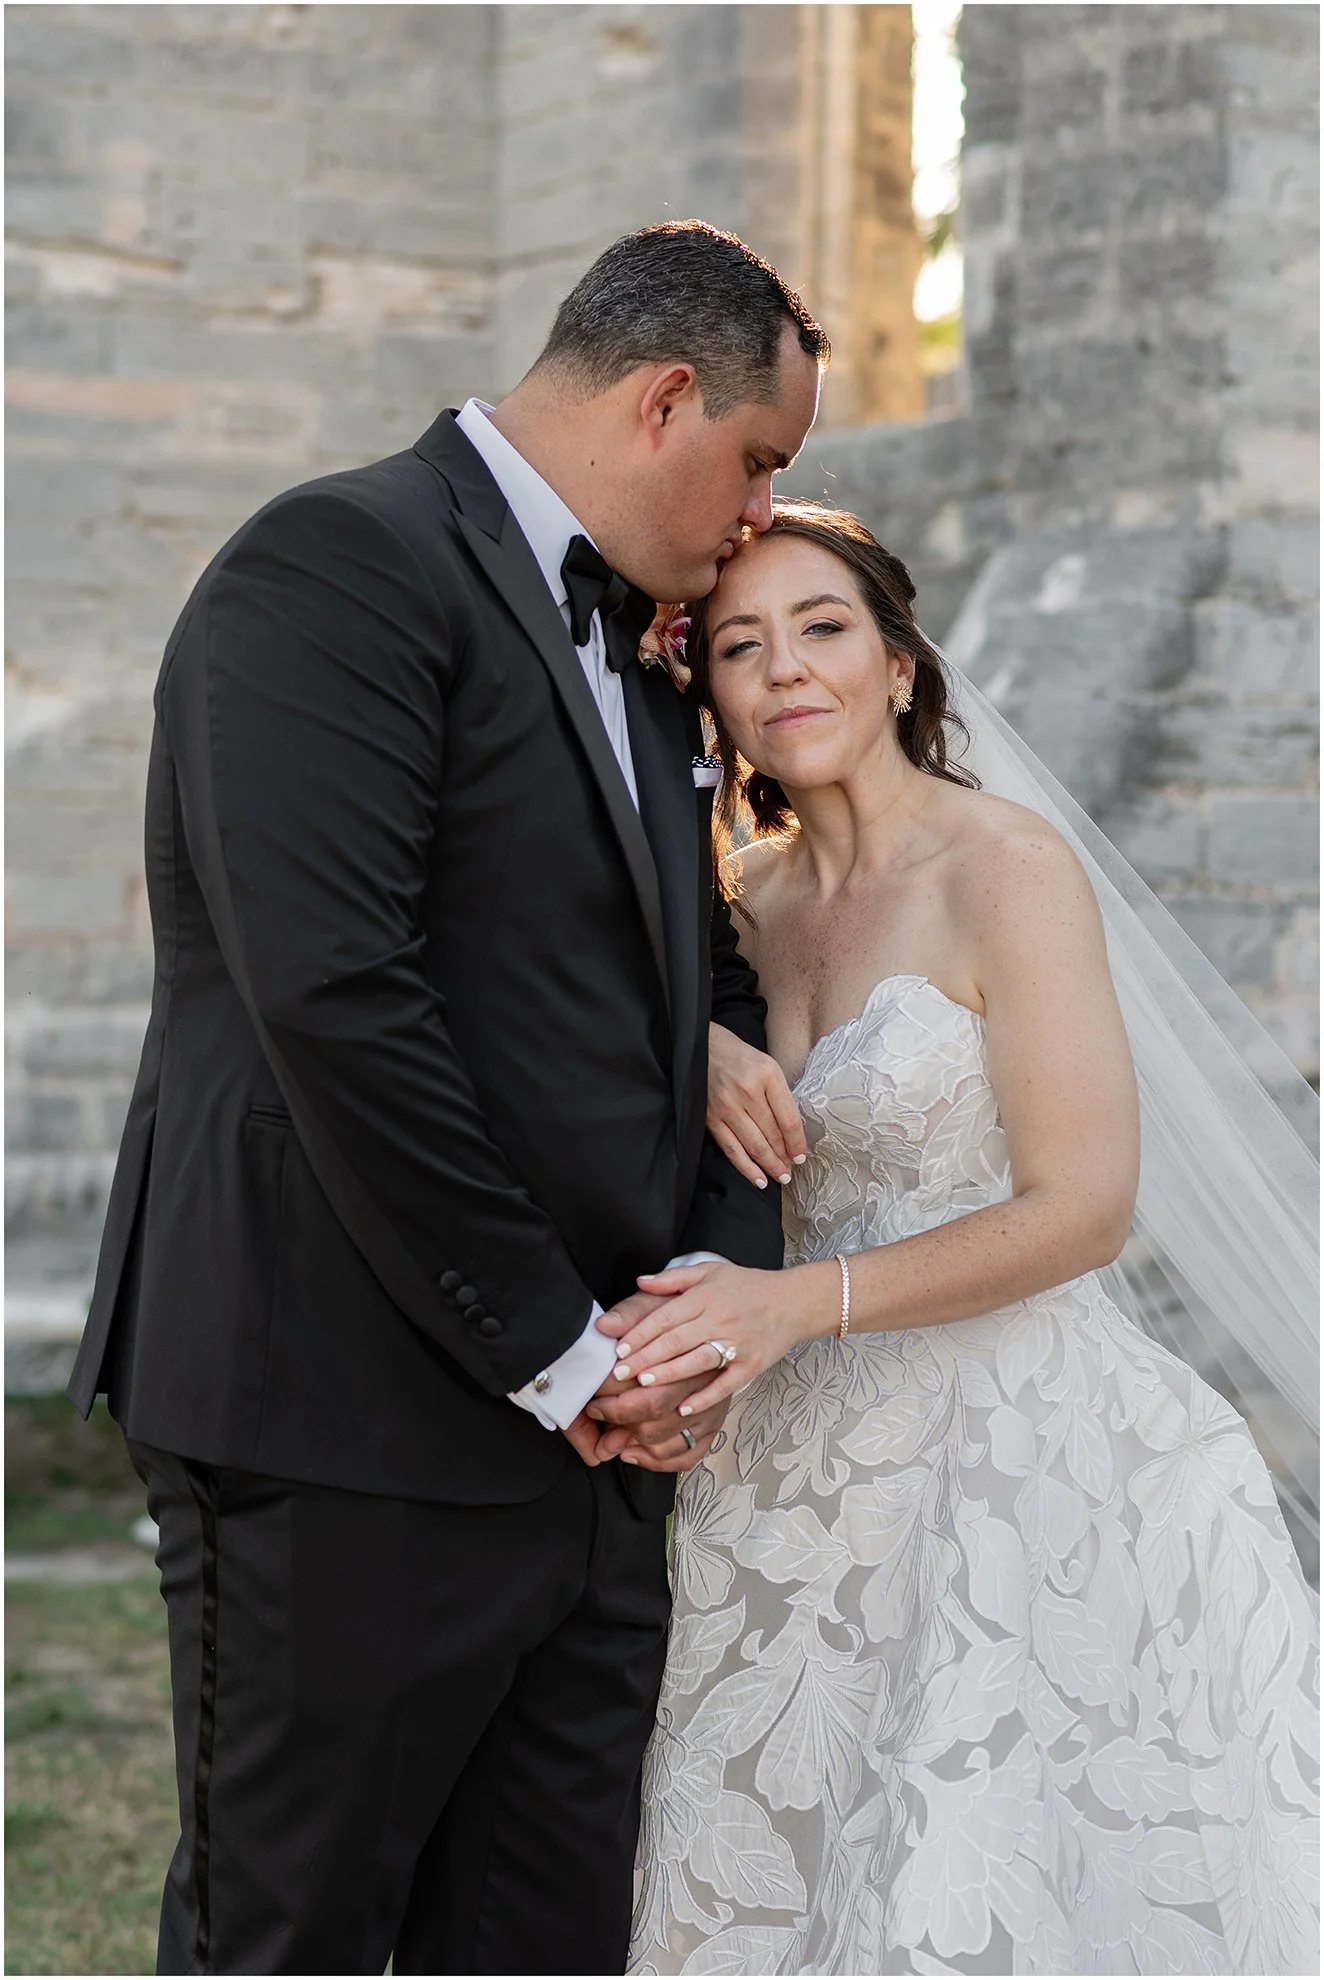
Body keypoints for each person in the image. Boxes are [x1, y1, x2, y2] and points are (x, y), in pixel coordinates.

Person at [66, 222, 827, 1976]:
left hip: (595, 1457)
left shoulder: (647, 652)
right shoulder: (331, 568)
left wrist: (677, 1345)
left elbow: (706, 988)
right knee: (297, 1936)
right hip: (340, 1419)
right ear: (662, 401)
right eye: (760, 460)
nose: (764, 516)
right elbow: (335, 998)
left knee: (545, 1943)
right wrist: (563, 1352)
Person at [614, 504, 1320, 1976]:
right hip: (788, 1480)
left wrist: (803, 1302)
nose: (785, 670)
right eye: (740, 646)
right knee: (755, 1877)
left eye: (823, 630)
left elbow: (1082, 1208)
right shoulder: (739, 908)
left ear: (899, 666)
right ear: (710, 693)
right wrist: (701, 1053)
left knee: (972, 1883)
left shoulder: (1009, 868)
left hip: (1016, 1467)